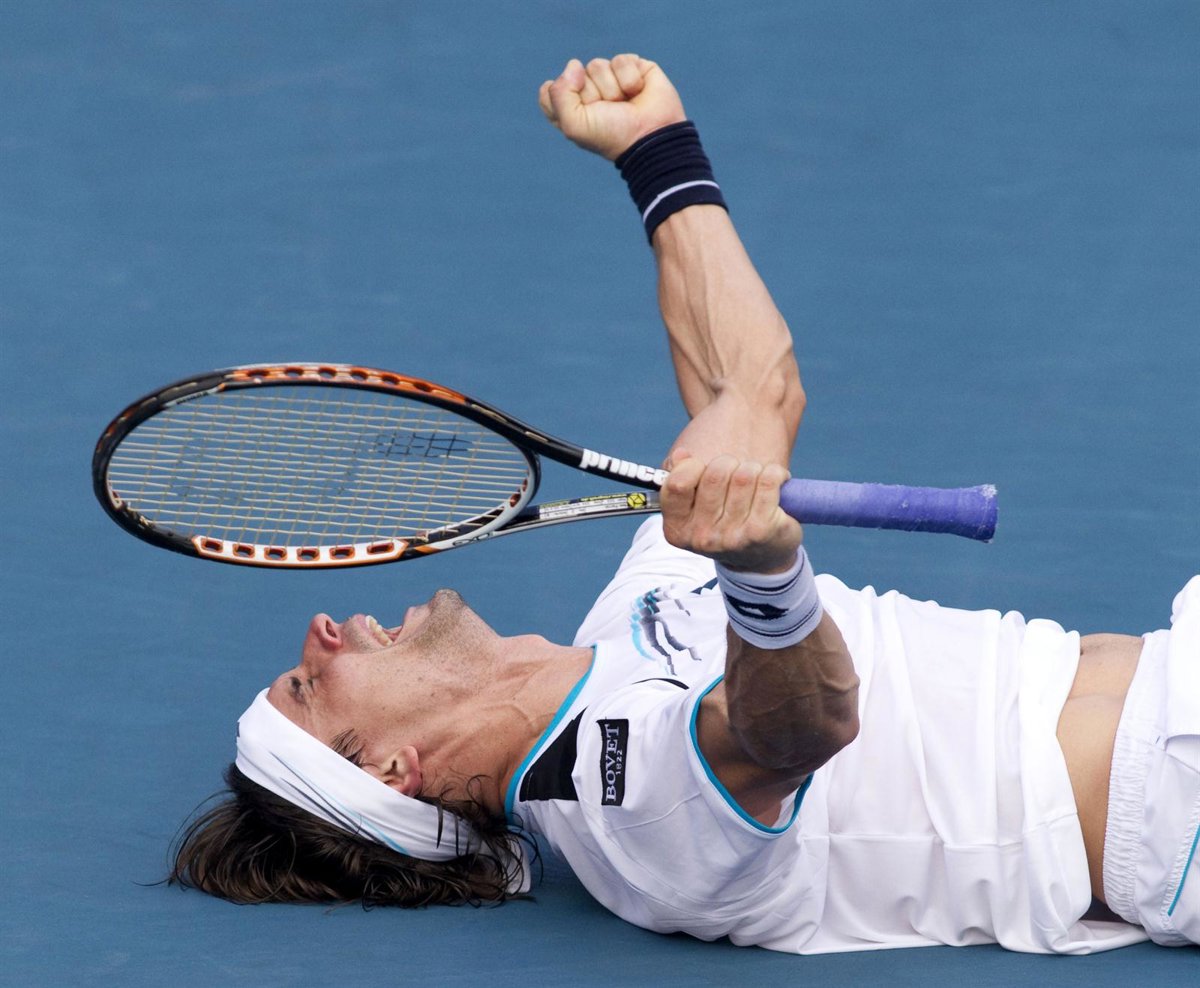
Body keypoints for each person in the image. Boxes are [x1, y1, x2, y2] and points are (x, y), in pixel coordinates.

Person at [171, 54, 1199, 954]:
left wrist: (657, 158)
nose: (320, 630)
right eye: (308, 687)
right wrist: (761, 568)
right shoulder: (626, 815)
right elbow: (795, 729)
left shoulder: (625, 624)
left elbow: (749, 395)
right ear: (391, 769)